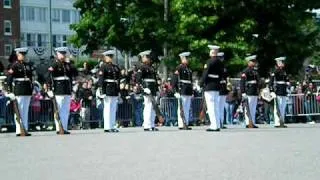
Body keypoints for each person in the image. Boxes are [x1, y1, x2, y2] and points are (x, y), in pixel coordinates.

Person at [47, 47, 78, 135]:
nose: (63, 55)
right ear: (57, 54)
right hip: (58, 90)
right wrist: (49, 89)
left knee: (66, 110)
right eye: (61, 54)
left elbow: (75, 73)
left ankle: (64, 127)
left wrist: (70, 63)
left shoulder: (67, 64)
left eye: (64, 54)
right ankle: (58, 128)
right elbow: (49, 77)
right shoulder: (54, 64)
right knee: (58, 109)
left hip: (67, 89)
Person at [6, 47, 33, 136]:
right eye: (22, 55)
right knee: (19, 110)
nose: (24, 56)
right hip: (19, 90)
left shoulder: (27, 65)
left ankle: (25, 129)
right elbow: (9, 79)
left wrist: (31, 89)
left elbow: (30, 79)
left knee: (25, 111)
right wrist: (9, 91)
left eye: (24, 55)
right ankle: (19, 130)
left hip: (27, 90)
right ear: (18, 55)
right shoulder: (14, 65)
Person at [200, 45, 224, 132]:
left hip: (209, 85)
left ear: (212, 52)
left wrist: (201, 83)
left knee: (211, 107)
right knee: (216, 106)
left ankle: (213, 125)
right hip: (217, 86)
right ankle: (217, 124)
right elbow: (222, 74)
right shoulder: (220, 62)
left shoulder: (209, 61)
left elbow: (205, 74)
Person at [97, 50, 121, 133]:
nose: (110, 58)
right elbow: (100, 80)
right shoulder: (103, 67)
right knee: (107, 108)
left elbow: (118, 79)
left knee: (113, 108)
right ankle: (107, 127)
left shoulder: (116, 67)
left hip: (114, 89)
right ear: (105, 57)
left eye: (111, 56)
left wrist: (118, 91)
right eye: (109, 56)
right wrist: (102, 92)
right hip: (107, 89)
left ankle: (112, 125)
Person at [136, 50, 159, 131]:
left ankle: (152, 124)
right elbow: (138, 80)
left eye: (148, 57)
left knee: (153, 107)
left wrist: (157, 90)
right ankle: (147, 125)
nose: (148, 59)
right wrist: (144, 88)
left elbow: (155, 80)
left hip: (152, 89)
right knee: (148, 107)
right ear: (143, 58)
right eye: (146, 57)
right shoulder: (141, 67)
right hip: (147, 88)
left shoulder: (152, 67)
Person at [172, 52, 193, 130]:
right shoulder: (179, 68)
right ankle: (181, 124)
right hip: (182, 89)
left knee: (187, 108)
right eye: (186, 58)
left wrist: (192, 92)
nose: (188, 60)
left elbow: (190, 81)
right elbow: (174, 80)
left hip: (188, 90)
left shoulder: (189, 69)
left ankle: (186, 123)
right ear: (182, 59)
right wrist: (175, 91)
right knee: (182, 107)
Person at [240, 55, 260, 128]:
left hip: (254, 91)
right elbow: (242, 82)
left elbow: (258, 82)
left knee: (253, 108)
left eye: (254, 61)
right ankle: (248, 122)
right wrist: (243, 92)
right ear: (249, 62)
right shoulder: (246, 71)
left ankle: (252, 122)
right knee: (248, 107)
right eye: (252, 61)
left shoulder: (255, 71)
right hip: (249, 91)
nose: (254, 63)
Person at [269, 57, 289, 128]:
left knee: (283, 107)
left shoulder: (284, 71)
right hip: (278, 91)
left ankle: (282, 121)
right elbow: (271, 82)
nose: (283, 64)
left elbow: (286, 80)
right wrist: (271, 91)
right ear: (278, 63)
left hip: (283, 91)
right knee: (278, 107)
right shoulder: (275, 71)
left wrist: (287, 83)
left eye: (283, 62)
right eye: (282, 62)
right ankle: (277, 122)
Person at [217, 52, 228, 128]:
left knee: (221, 107)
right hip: (218, 87)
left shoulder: (223, 67)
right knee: (217, 106)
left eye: (222, 58)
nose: (221, 59)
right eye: (220, 58)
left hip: (223, 87)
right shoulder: (216, 66)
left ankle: (221, 122)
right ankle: (218, 122)